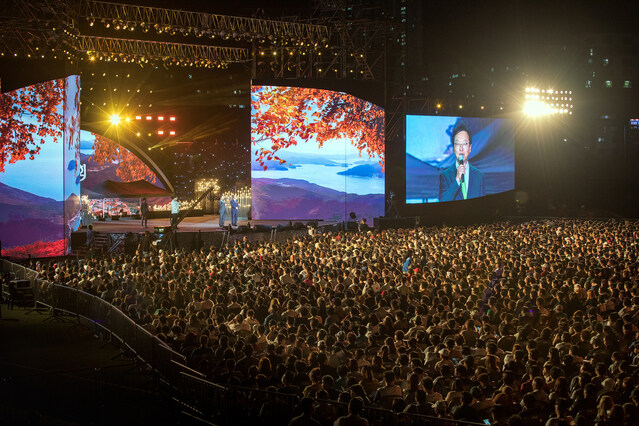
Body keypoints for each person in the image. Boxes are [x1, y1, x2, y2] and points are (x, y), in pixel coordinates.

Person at [439, 122, 485, 202]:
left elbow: (483, 205)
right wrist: (457, 180)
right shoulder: (445, 176)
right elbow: (443, 202)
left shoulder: (479, 175)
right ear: (453, 148)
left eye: (465, 143)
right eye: (457, 144)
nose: (461, 148)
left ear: (470, 147)